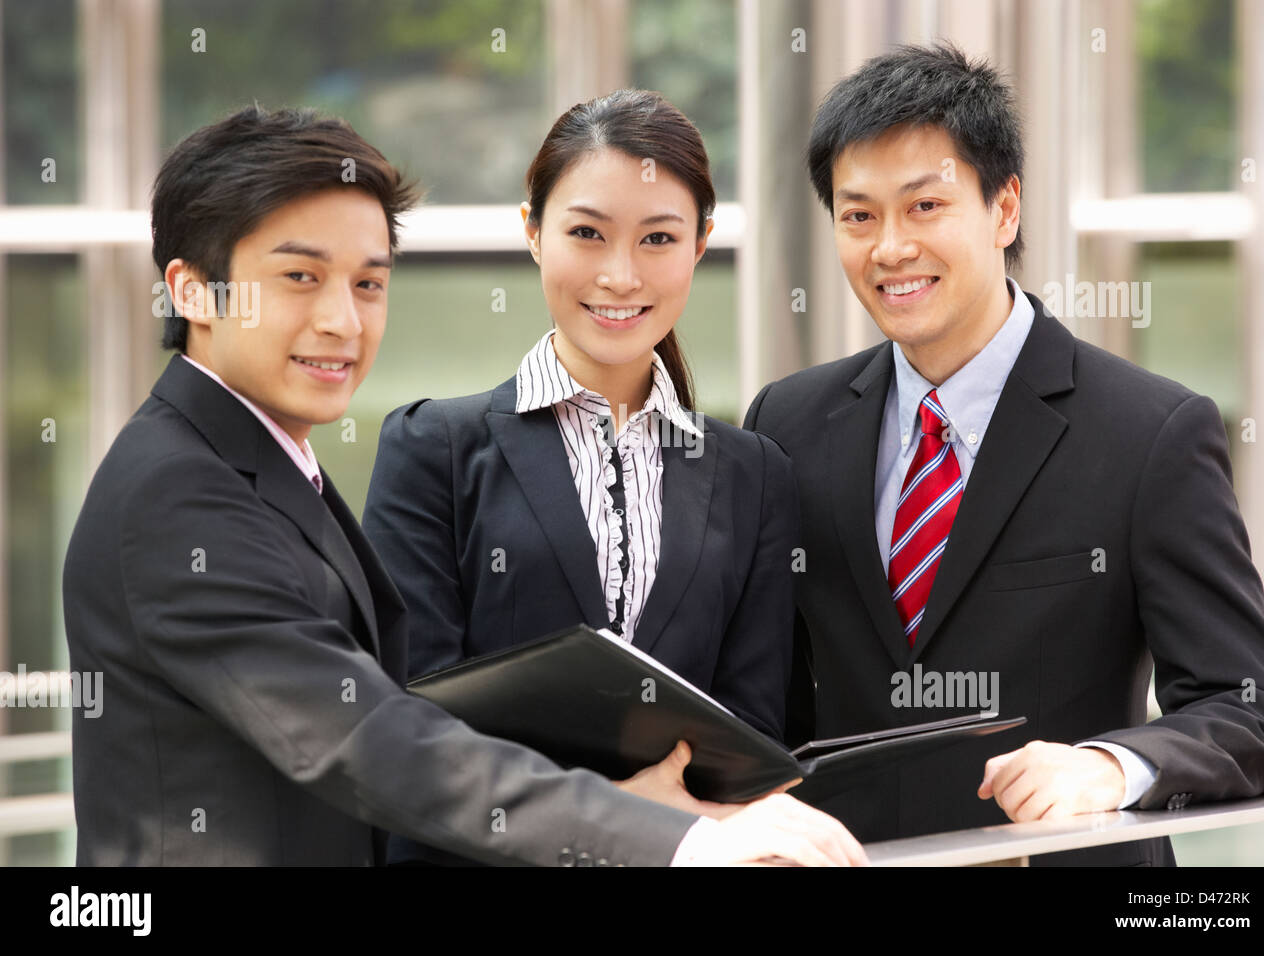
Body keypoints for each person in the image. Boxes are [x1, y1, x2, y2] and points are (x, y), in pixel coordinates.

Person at [62, 104, 867, 867]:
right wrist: (671, 836)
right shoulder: (178, 493)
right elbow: (371, 737)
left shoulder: (267, 465)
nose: (344, 321)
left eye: (369, 283)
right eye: (301, 278)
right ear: (195, 289)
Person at [743, 43, 1264, 865]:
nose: (889, 247)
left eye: (924, 206)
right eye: (859, 215)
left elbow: (1253, 710)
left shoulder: (1149, 432)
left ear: (1005, 210)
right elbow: (769, 708)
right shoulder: (787, 422)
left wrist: (1110, 767)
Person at [363, 89, 802, 865]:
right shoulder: (433, 449)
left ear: (701, 244)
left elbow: (752, 734)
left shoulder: (751, 473)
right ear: (533, 232)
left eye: (659, 238)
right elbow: (408, 731)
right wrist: (613, 818)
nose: (620, 275)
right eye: (587, 233)